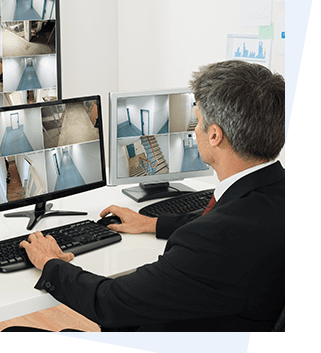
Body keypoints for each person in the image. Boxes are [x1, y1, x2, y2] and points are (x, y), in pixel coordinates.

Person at [19, 60, 285, 331]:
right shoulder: (270, 195)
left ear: (215, 134)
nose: (195, 129)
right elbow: (229, 222)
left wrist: (51, 264)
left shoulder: (215, 239)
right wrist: (151, 223)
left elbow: (113, 303)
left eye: (199, 120)